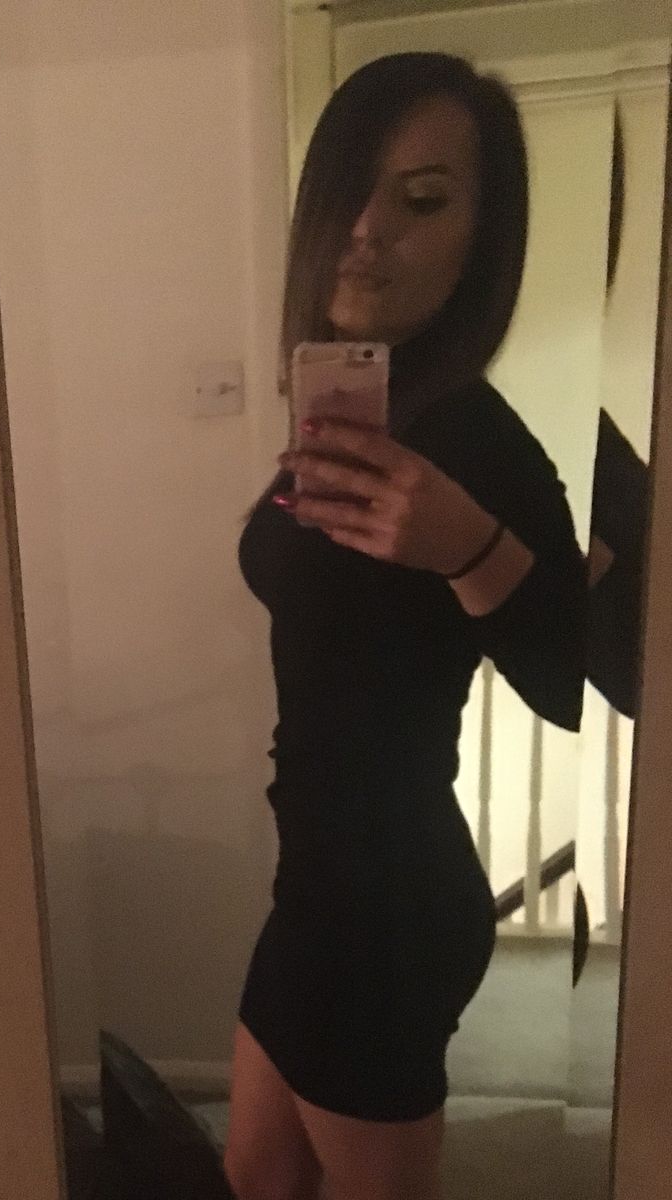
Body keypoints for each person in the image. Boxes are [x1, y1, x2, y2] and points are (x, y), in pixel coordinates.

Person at [223, 53, 586, 1200]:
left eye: (422, 200)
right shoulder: (361, 406)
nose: (368, 230)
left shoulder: (480, 441)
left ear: (481, 241)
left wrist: (469, 546)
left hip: (383, 907)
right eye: (350, 189)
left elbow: (572, 679)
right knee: (256, 1173)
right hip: (315, 883)